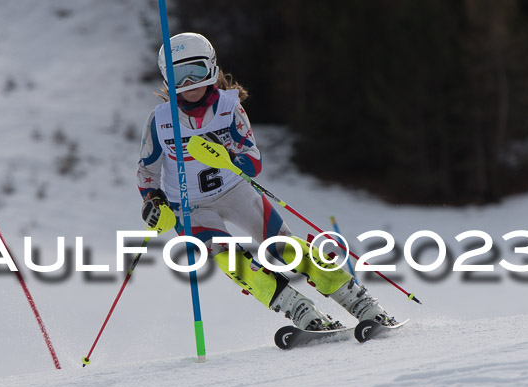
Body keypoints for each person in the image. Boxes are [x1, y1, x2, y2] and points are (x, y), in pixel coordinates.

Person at [137, 32, 396, 330]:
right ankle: (299, 310)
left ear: (210, 68)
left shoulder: (228, 108)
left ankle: (360, 302)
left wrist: (227, 158)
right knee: (228, 259)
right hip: (188, 204)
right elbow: (147, 170)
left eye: (194, 71)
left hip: (235, 190)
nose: (188, 84)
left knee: (282, 247)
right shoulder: (159, 121)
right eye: (178, 75)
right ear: (167, 79)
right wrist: (153, 201)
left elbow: (253, 160)